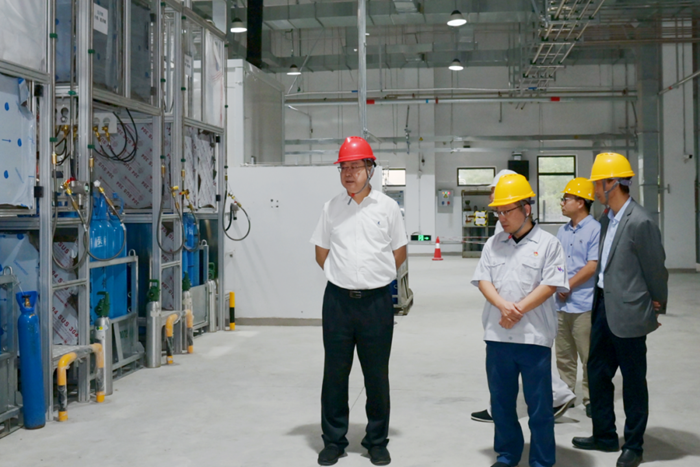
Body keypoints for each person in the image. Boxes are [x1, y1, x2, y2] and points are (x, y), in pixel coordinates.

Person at [311, 136, 408, 466]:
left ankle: (376, 441)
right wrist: (343, 276)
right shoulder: (331, 208)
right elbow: (321, 251)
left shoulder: (387, 208)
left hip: (376, 304)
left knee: (376, 375)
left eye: (355, 166)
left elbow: (399, 251)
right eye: (344, 167)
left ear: (370, 169)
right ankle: (334, 441)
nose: (349, 173)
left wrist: (373, 277)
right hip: (337, 303)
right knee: (335, 374)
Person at [572, 153, 668, 467]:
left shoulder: (640, 221)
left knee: (633, 380)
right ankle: (604, 435)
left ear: (612, 183)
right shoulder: (606, 219)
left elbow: (656, 268)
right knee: (597, 372)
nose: (594, 190)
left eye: (597, 183)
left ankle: (634, 446)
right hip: (602, 307)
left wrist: (657, 304)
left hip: (629, 312)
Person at [472, 173, 569, 467]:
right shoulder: (493, 243)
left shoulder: (549, 244)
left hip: (534, 338)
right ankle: (507, 455)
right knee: (501, 404)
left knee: (539, 408)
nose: (501, 218)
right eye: (498, 212)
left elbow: (550, 284)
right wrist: (503, 306)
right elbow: (483, 280)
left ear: (526, 208)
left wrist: (517, 310)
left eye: (507, 211)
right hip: (497, 336)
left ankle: (541, 461)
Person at [555, 177, 601, 418]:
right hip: (562, 304)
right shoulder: (562, 231)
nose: (562, 203)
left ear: (581, 202)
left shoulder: (595, 229)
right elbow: (556, 262)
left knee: (588, 355)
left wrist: (568, 285)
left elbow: (592, 265)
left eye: (566, 199)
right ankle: (565, 395)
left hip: (584, 303)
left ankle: (591, 398)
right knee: (563, 355)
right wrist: (558, 283)